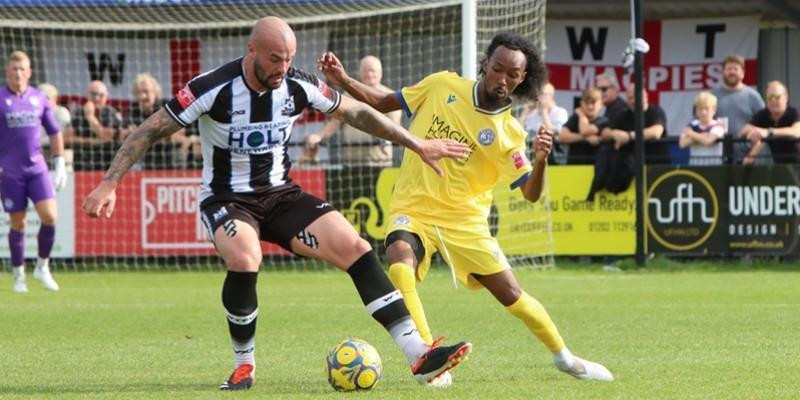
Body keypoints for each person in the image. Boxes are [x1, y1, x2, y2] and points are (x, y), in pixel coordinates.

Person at [82, 16, 472, 391]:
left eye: (288, 59)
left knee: (358, 248)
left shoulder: (297, 84)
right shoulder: (212, 87)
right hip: (227, 198)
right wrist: (109, 183)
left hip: (280, 195)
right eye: (274, 59)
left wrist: (416, 143)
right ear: (251, 49)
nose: (282, 67)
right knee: (246, 258)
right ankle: (243, 364)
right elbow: (149, 130)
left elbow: (353, 112)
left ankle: (418, 355)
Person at [318, 32, 614, 386]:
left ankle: (566, 359)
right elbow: (384, 102)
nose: (502, 79)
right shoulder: (442, 84)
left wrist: (541, 160)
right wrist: (344, 80)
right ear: (486, 63)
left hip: (466, 223)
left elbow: (531, 194)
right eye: (498, 68)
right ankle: (427, 357)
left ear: (523, 79)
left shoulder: (510, 134)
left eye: (512, 74)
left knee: (512, 296)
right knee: (399, 257)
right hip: (414, 205)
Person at [1, 51, 66, 292]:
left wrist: (59, 162)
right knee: (18, 222)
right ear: (8, 71)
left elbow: (54, 131)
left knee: (50, 216)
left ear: (29, 72)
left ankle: (42, 267)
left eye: (22, 69)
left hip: (37, 169)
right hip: (9, 171)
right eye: (14, 68)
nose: (18, 73)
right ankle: (18, 275)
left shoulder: (39, 99)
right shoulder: (0, 98)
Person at [305, 55, 400, 166]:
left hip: (379, 161)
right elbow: (336, 122)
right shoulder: (349, 95)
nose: (369, 74)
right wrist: (319, 136)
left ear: (380, 73)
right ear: (360, 73)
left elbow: (395, 127)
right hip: (352, 161)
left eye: (372, 71)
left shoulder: (390, 97)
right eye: (365, 71)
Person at [122, 73, 192, 168]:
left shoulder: (166, 106)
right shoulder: (133, 109)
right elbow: (125, 134)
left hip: (171, 156)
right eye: (139, 92)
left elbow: (178, 132)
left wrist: (142, 134)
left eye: (146, 92)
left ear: (155, 92)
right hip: (147, 159)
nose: (143, 96)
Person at [711, 53, 766, 164]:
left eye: (735, 69)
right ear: (723, 72)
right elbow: (701, 123)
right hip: (717, 159)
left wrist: (751, 156)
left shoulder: (753, 96)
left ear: (743, 73)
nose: (732, 72)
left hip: (747, 159)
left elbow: (765, 126)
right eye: (728, 69)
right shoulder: (712, 96)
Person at [604, 85, 670, 164]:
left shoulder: (656, 111)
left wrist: (629, 136)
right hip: (631, 166)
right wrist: (614, 134)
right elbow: (605, 132)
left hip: (656, 164)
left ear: (645, 97)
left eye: (635, 97)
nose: (633, 101)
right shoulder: (623, 114)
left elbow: (656, 132)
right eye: (630, 98)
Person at [66, 80, 122, 170]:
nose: (96, 98)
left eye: (100, 95)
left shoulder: (110, 113)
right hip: (82, 167)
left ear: (106, 96)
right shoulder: (80, 113)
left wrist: (90, 117)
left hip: (107, 166)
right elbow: (66, 138)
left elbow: (107, 137)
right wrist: (95, 141)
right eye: (93, 94)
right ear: (87, 95)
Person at [740, 81, 800, 164]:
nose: (773, 100)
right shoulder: (763, 114)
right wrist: (756, 132)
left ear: (786, 98)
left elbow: (796, 131)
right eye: (770, 97)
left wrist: (768, 132)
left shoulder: (794, 112)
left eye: (777, 97)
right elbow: (743, 131)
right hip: (780, 168)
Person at [518, 82, 568, 164]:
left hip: (553, 159)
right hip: (529, 158)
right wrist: (525, 112)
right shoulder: (532, 113)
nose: (539, 97)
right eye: (538, 94)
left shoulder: (560, 112)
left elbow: (556, 134)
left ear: (551, 96)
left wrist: (544, 112)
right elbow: (517, 132)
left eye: (543, 94)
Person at [558, 88, 607, 165]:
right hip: (574, 167)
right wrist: (586, 138)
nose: (590, 106)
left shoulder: (603, 121)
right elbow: (561, 137)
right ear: (581, 103)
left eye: (593, 103)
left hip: (596, 167)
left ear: (601, 104)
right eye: (587, 103)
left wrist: (581, 114)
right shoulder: (575, 118)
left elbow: (584, 130)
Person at [679, 91, 726, 165]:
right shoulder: (691, 125)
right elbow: (682, 143)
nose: (703, 112)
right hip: (695, 167)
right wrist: (703, 136)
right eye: (700, 109)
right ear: (696, 110)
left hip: (715, 167)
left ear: (714, 110)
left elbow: (707, 140)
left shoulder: (719, 125)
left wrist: (692, 134)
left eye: (706, 108)